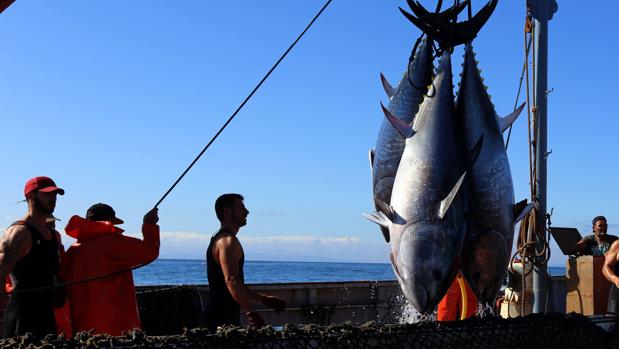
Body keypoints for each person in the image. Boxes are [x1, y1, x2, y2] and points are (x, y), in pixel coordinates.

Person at [59, 203, 160, 336]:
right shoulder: (114, 243)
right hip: (114, 327)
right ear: (109, 222)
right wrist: (149, 224)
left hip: (81, 327)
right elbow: (149, 252)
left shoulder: (74, 250)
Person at [205, 194, 286, 331]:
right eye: (241, 208)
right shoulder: (227, 242)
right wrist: (251, 313)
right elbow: (231, 280)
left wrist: (263, 299)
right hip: (221, 318)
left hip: (223, 315)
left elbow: (235, 284)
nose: (247, 211)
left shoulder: (219, 238)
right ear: (227, 211)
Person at [0, 176, 65, 338]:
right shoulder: (19, 233)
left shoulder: (53, 236)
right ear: (30, 196)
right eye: (47, 194)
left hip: (47, 318)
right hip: (21, 320)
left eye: (55, 194)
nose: (53, 198)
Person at [603, 239, 619, 315]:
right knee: (613, 324)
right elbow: (606, 267)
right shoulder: (617, 245)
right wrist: (615, 279)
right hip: (617, 293)